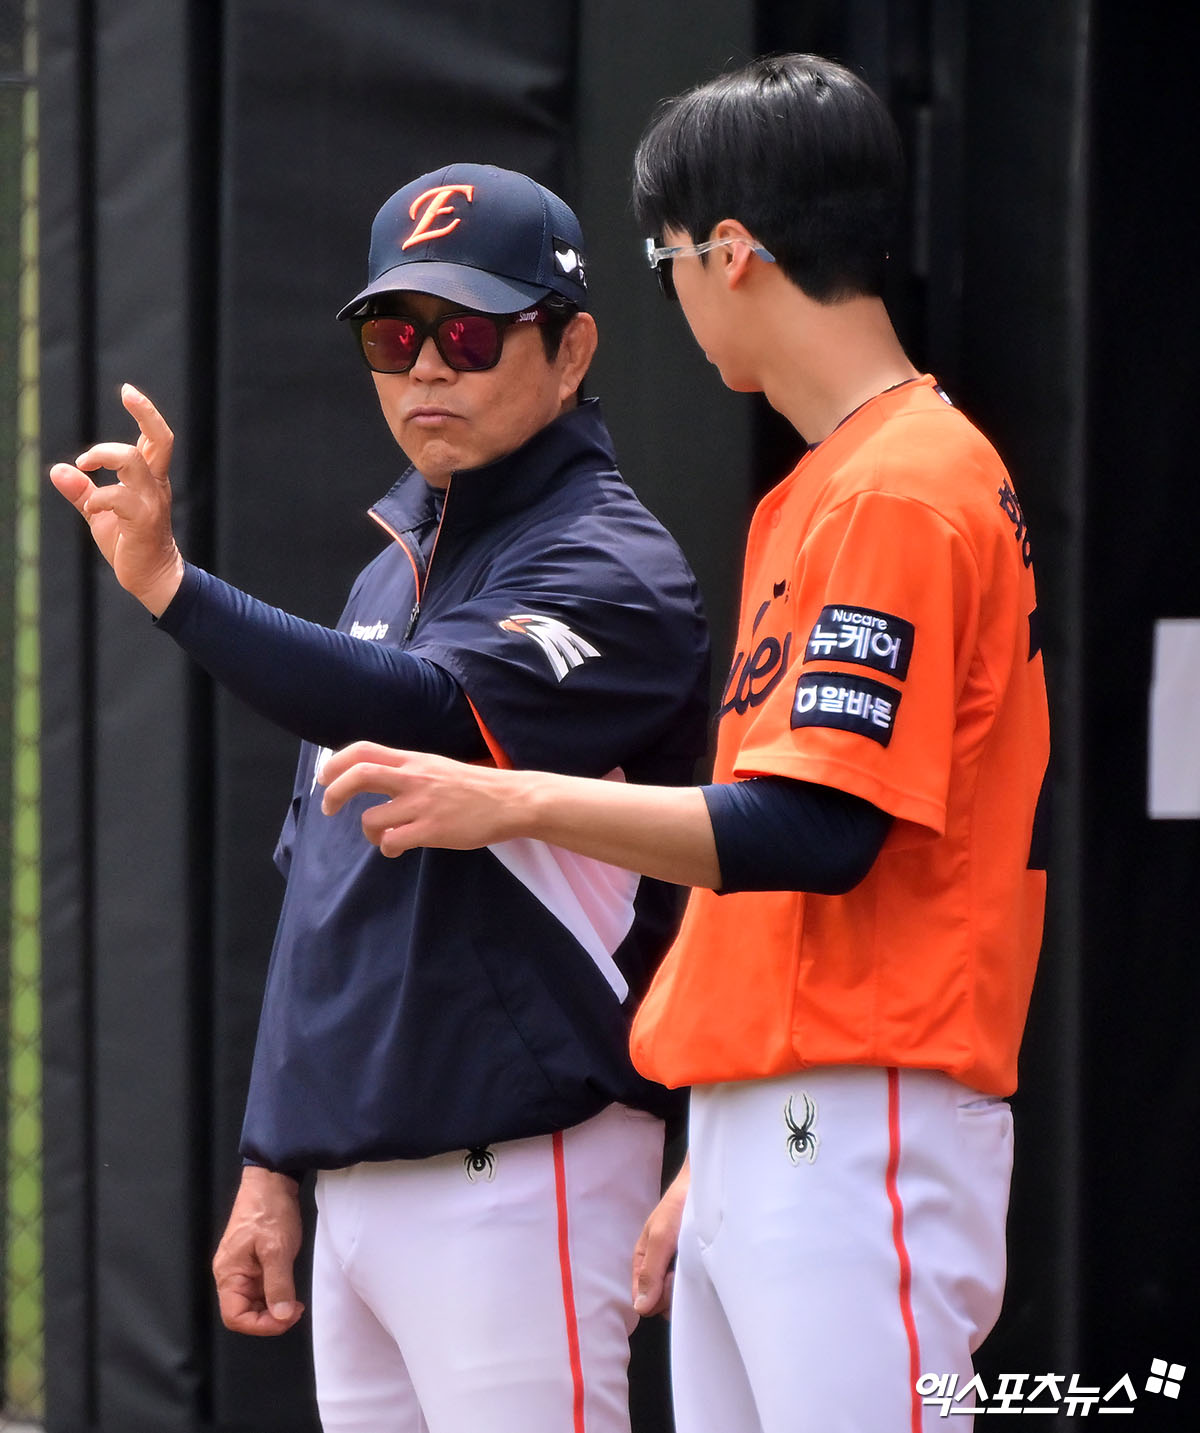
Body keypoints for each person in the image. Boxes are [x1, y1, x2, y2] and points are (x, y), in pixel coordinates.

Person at [318, 56, 1052, 1433]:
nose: (676, 297)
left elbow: (817, 832)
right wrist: (715, 1145)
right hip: (779, 1107)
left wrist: (513, 800)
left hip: (864, 1101)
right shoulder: (825, 488)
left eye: (666, 263)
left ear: (734, 250)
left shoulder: (904, 482)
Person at [49, 162, 710, 1433]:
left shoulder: (613, 562)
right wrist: (271, 1157)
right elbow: (320, 890)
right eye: (394, 336)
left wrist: (176, 586)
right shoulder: (385, 578)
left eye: (470, 333)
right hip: (356, 1183)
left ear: (571, 349)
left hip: (526, 1162)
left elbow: (424, 707)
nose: (426, 369)